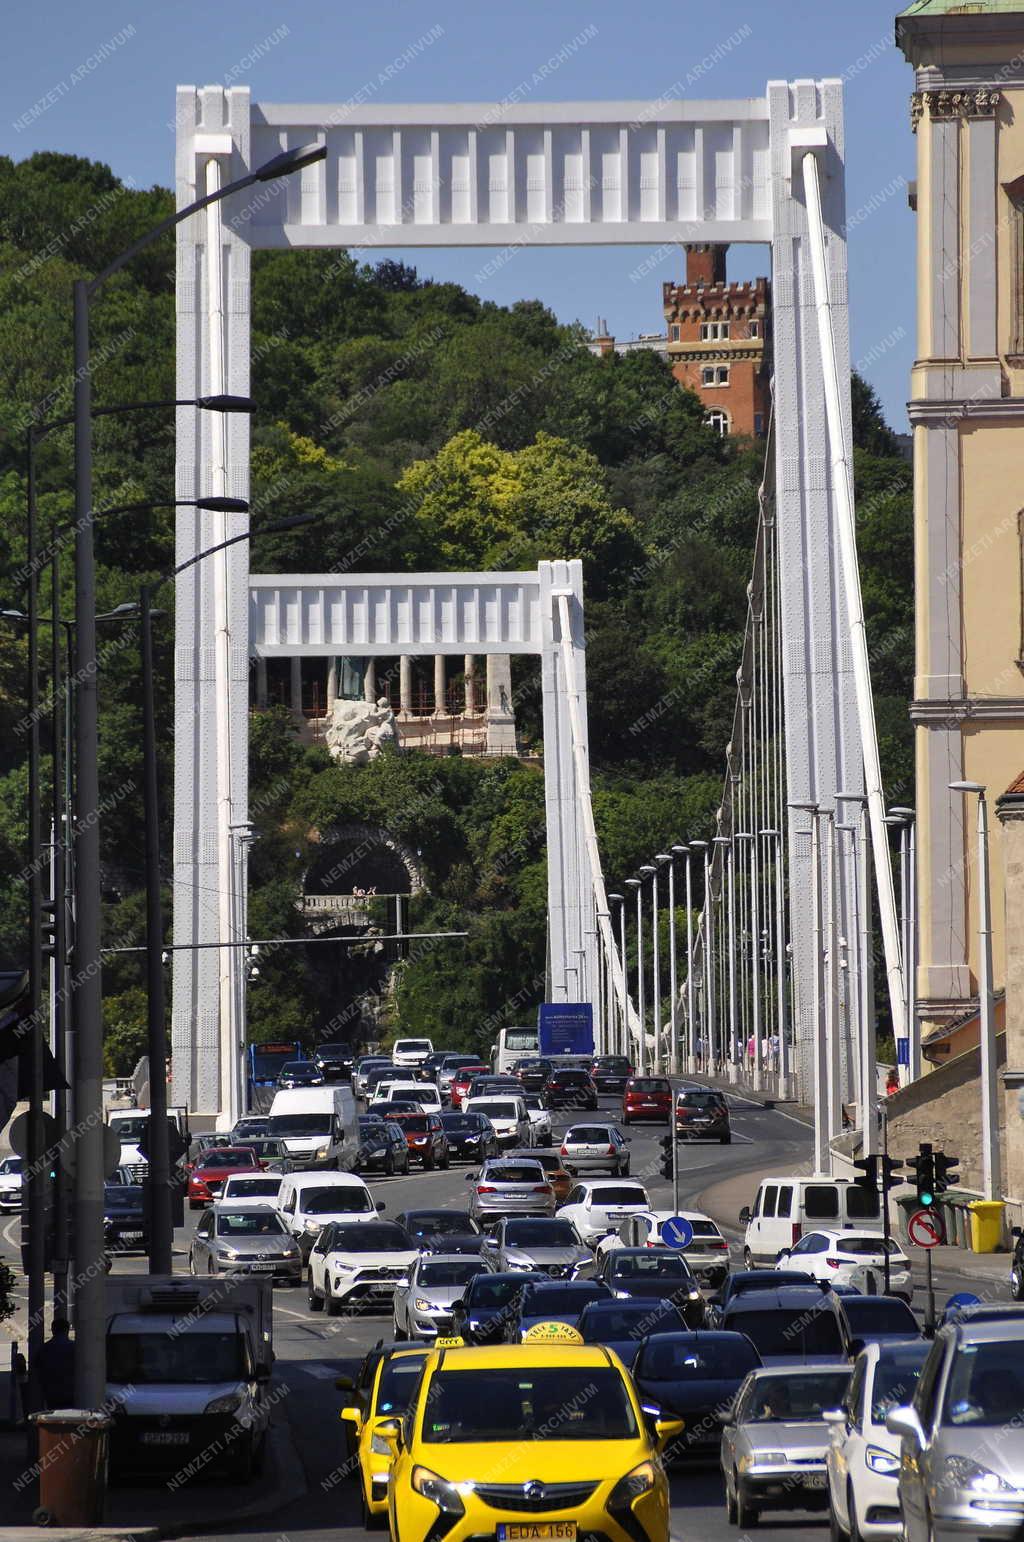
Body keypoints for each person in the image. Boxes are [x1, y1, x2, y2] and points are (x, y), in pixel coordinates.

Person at [38, 1318, 75, 1410]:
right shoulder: (75, 1347)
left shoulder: (44, 1349)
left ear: (53, 1330)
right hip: (71, 1391)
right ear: (67, 1330)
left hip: (51, 1392)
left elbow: (38, 1369)